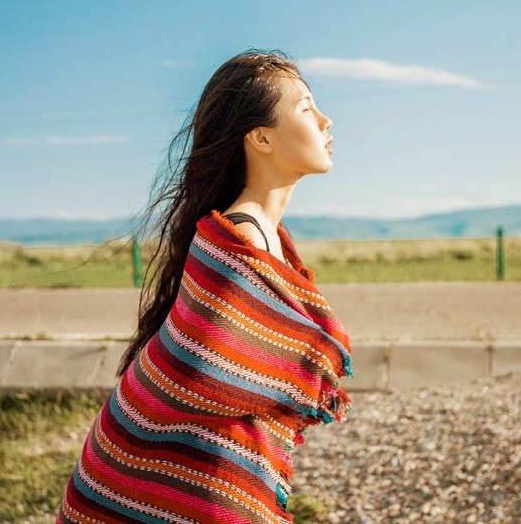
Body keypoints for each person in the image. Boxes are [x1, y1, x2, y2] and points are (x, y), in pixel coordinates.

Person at [57, 50, 353, 524]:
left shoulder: (266, 238)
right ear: (261, 137)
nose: (325, 119)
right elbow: (203, 368)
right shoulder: (237, 239)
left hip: (165, 469)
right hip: (132, 482)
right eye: (305, 108)